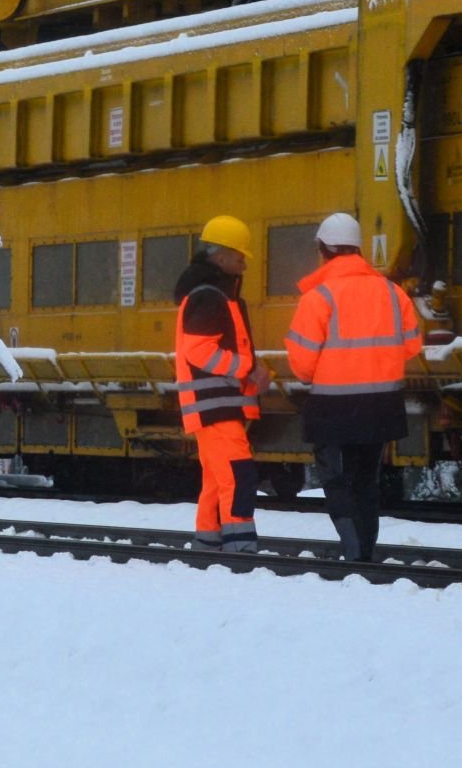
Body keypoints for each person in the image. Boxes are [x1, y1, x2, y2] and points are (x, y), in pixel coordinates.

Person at [283, 212, 422, 562]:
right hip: (382, 404)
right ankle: (365, 551)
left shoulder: (319, 297)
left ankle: (354, 552)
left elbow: (301, 362)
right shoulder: (392, 293)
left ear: (324, 250)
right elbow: (411, 346)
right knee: (366, 481)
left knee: (336, 481)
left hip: (333, 407)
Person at [172, 215, 266, 553]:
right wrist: (246, 370)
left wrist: (250, 370)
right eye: (240, 256)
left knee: (216, 480)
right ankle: (240, 547)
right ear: (221, 256)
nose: (244, 264)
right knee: (238, 475)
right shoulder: (210, 297)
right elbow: (199, 350)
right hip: (216, 407)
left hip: (217, 407)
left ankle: (208, 542)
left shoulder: (217, 296)